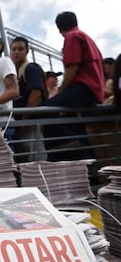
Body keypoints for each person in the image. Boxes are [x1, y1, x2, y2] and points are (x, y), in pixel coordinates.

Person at [42, 11, 104, 161]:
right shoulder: (87, 38)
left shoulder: (72, 37)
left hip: (84, 88)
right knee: (76, 125)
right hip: (94, 90)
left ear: (59, 28)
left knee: (45, 110)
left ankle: (71, 148)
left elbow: (72, 67)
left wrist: (61, 90)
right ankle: (87, 163)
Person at [10, 36, 47, 162]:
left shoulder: (30, 69)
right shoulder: (15, 72)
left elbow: (36, 94)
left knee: (36, 158)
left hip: (31, 124)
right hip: (22, 124)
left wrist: (25, 118)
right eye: (14, 49)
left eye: (20, 49)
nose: (16, 52)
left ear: (27, 51)